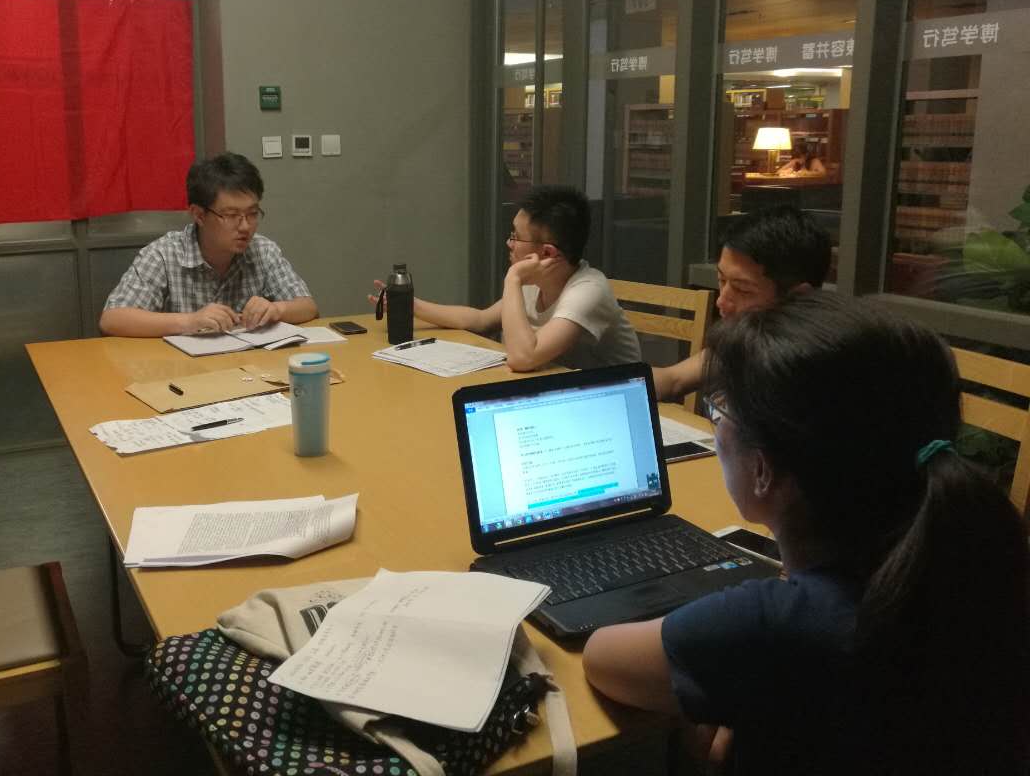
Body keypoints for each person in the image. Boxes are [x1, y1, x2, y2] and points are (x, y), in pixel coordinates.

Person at [583, 292, 1030, 774]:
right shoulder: (979, 564)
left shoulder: (771, 624)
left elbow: (602, 659)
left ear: (763, 470)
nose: (715, 422)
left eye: (721, 410)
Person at [370, 185, 639, 372]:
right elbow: (480, 320)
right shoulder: (537, 282)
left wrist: (513, 278)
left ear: (547, 253)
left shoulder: (588, 290)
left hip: (613, 408)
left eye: (515, 237)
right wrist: (411, 305)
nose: (509, 243)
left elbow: (523, 358)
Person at [99, 152, 318, 337]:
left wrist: (277, 309)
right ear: (199, 215)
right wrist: (189, 321)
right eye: (231, 215)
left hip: (249, 367)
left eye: (252, 213)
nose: (245, 226)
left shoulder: (263, 250)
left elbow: (308, 307)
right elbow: (112, 319)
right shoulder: (164, 254)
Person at [653, 205, 830, 400]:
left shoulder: (811, 373)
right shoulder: (747, 342)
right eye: (721, 280)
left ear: (798, 297)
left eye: (743, 290)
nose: (721, 301)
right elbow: (673, 379)